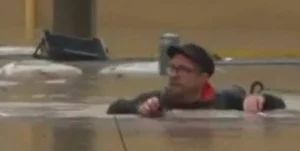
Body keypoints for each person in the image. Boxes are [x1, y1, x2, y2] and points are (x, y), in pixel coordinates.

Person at [106, 43, 286, 117]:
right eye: (173, 68)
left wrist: (260, 100)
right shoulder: (158, 101)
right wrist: (139, 109)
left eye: (183, 70)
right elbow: (114, 108)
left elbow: (279, 106)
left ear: (203, 78)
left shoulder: (226, 100)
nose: (174, 74)